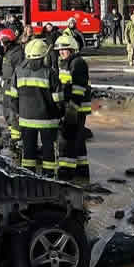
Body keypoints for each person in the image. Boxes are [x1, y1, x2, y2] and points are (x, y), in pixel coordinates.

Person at [8, 39, 63, 177]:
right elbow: (58, 99)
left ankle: (28, 176)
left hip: (26, 119)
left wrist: (19, 113)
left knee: (28, 150)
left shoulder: (18, 71)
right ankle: (48, 175)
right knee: (48, 150)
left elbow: (13, 97)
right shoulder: (50, 73)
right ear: (43, 55)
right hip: (48, 120)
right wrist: (60, 114)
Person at [54, 35, 91, 180]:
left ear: (72, 49)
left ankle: (66, 172)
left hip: (76, 108)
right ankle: (82, 169)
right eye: (60, 50)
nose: (61, 52)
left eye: (64, 49)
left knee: (67, 139)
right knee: (78, 139)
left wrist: (72, 108)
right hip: (72, 106)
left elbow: (78, 88)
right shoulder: (67, 62)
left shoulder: (77, 63)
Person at [0, 28, 23, 151]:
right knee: (7, 112)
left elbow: (18, 72)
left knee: (14, 114)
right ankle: (12, 136)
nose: (0, 44)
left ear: (7, 41)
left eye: (1, 42)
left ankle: (17, 140)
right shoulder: (9, 52)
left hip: (13, 88)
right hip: (7, 87)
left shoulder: (17, 53)